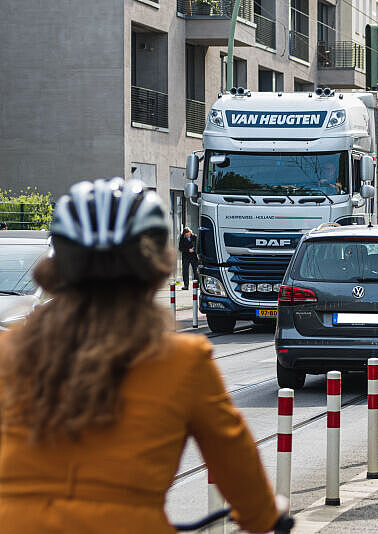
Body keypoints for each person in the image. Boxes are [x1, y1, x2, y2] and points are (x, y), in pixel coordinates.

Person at [0, 178, 286, 532]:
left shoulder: (7, 353)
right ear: (156, 269)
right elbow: (234, 458)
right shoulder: (181, 361)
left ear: (56, 267)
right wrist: (263, 513)